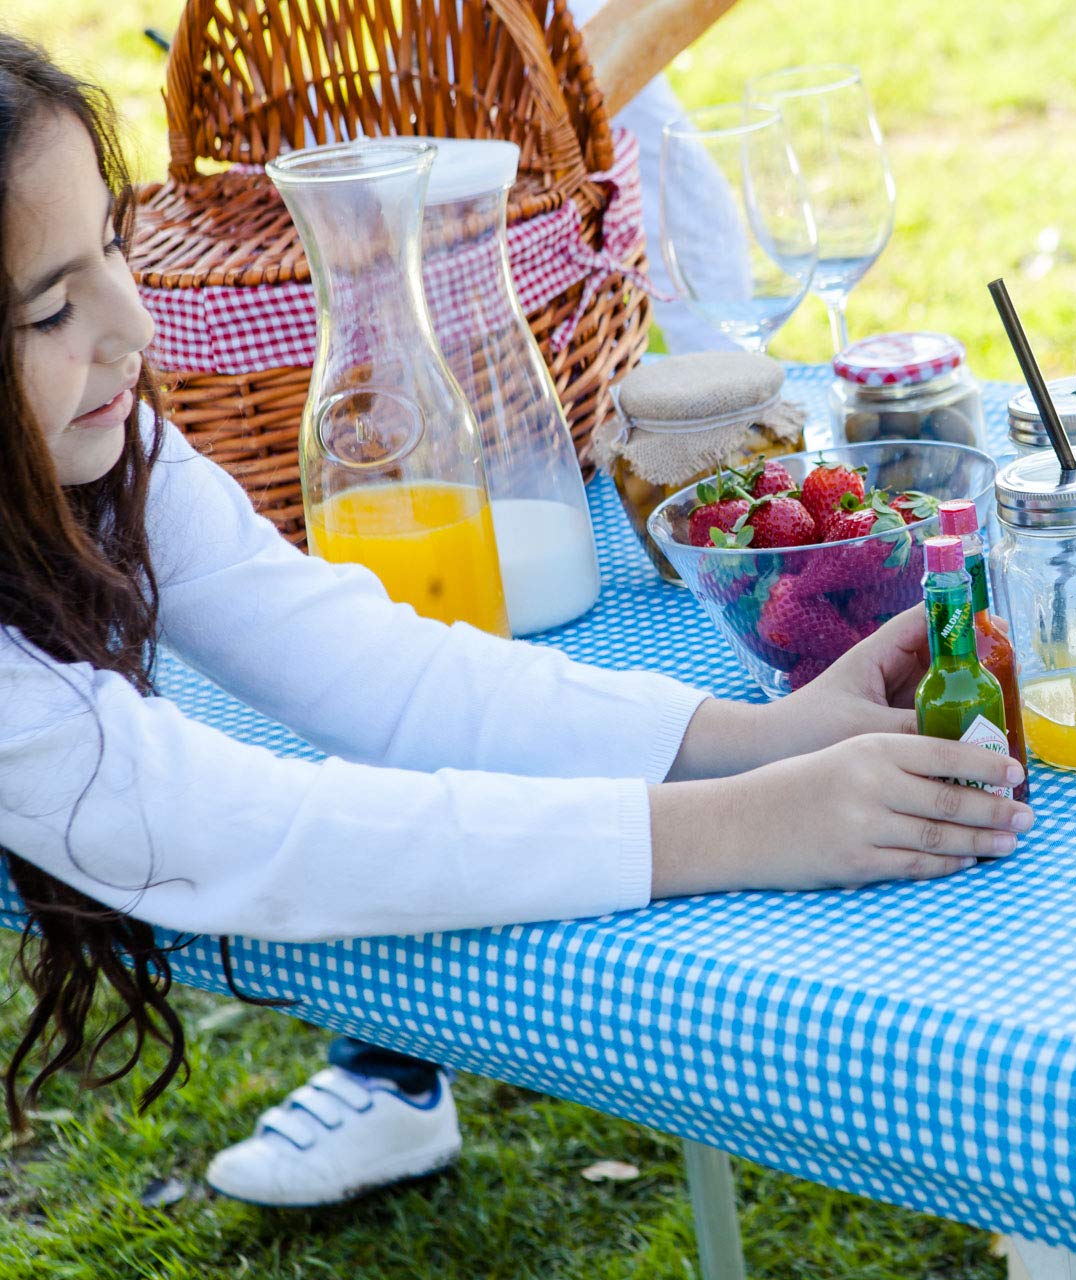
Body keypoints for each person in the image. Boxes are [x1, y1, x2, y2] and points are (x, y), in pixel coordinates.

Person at [0, 32, 1034, 1214]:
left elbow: (359, 660)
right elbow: (229, 831)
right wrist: (744, 826)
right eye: (48, 311)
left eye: (116, 250)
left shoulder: (104, 439)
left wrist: (758, 738)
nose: (132, 326)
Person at [201, 42, 754, 1204]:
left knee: (514, 675)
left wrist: (547, 113)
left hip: (544, 210)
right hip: (416, 272)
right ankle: (389, 1058)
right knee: (395, 719)